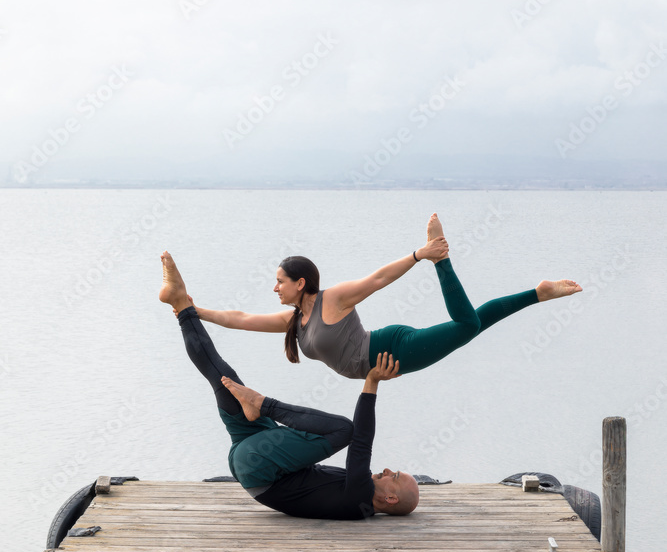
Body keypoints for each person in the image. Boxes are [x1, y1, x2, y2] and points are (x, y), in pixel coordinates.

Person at [159, 252, 419, 520]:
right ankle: (181, 307)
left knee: (345, 429)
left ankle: (262, 404)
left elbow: (362, 440)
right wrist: (194, 312)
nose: (388, 470)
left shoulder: (360, 497)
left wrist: (372, 380)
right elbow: (244, 319)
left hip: (260, 466)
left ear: (390, 498)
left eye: (394, 476)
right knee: (223, 376)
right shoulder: (355, 497)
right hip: (255, 460)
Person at [189, 214, 583, 379]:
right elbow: (237, 318)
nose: (274, 288)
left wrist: (419, 255)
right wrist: (191, 310)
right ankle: (539, 292)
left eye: (279, 281)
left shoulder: (334, 299)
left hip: (390, 353)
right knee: (473, 324)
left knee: (468, 325)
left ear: (301, 283)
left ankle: (440, 258)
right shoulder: (292, 321)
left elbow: (377, 279)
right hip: (383, 352)